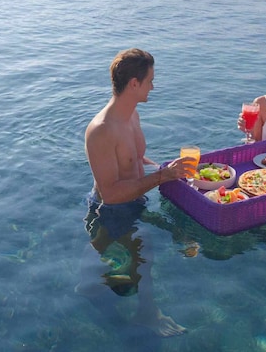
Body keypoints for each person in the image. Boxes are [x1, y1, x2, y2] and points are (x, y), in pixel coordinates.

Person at [83, 48, 190, 337]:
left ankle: (143, 313)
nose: (153, 87)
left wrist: (167, 169)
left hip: (135, 201)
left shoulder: (132, 116)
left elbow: (134, 159)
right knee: (135, 266)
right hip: (110, 212)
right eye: (150, 81)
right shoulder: (101, 130)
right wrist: (161, 177)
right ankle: (141, 317)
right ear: (134, 83)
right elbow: (110, 194)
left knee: (144, 258)